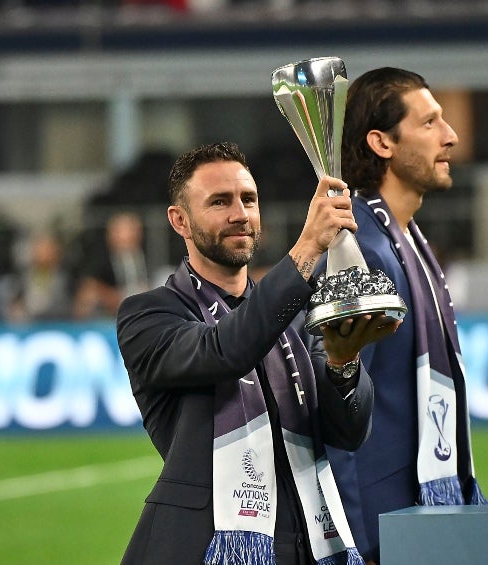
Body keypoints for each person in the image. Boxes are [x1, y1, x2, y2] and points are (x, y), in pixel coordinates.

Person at [115, 142, 400, 565]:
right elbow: (225, 351)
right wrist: (307, 249)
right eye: (219, 202)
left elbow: (348, 433)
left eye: (248, 199)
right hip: (210, 550)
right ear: (180, 221)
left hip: (307, 545)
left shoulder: (295, 315)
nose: (240, 214)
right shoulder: (149, 315)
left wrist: (343, 364)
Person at [325, 67, 488, 564]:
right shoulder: (364, 251)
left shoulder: (406, 241)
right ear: (382, 143)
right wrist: (355, 545)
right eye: (429, 123)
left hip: (413, 516)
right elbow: (336, 406)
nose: (450, 136)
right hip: (383, 530)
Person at [74, 211, 150, 320]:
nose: (126, 237)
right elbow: (90, 284)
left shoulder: (149, 256)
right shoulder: (99, 258)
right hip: (111, 309)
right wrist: (111, 296)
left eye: (131, 230)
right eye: (119, 231)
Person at [0, 230, 73, 323]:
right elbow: (13, 305)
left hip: (58, 322)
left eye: (48, 249)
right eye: (40, 248)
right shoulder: (21, 277)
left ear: (57, 252)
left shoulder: (66, 277)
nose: (43, 253)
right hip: (29, 324)